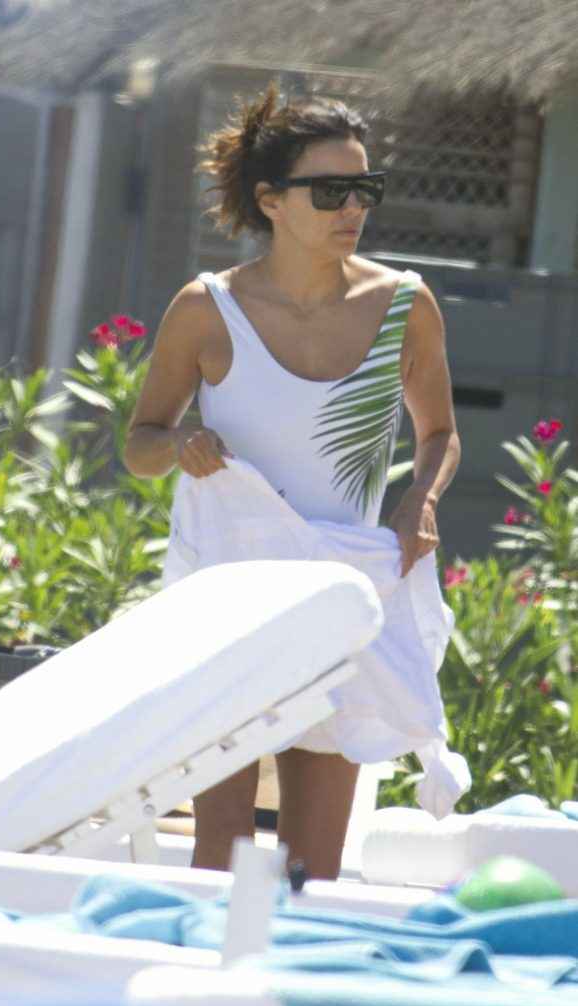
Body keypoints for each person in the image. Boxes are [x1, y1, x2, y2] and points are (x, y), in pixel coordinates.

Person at [123, 82, 461, 879]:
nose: (354, 208)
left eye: (365, 188)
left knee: (314, 866)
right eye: (331, 191)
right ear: (271, 200)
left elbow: (439, 433)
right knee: (221, 848)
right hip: (225, 600)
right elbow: (139, 443)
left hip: (341, 598)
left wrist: (419, 499)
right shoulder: (207, 309)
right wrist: (183, 444)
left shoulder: (404, 304)